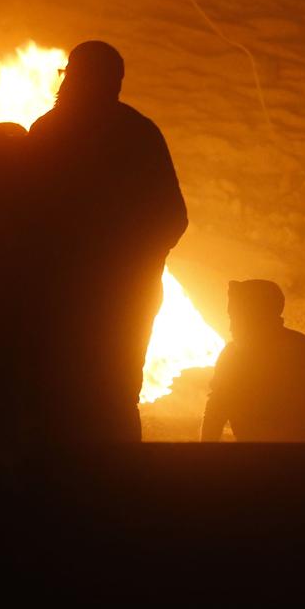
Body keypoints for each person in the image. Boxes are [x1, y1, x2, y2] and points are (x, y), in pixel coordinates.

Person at [24, 40, 187, 444]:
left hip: (63, 301)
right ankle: (119, 487)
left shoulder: (48, 133)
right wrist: (137, 265)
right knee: (114, 399)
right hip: (126, 297)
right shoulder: (141, 133)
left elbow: (23, 219)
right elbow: (173, 219)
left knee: (59, 399)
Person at [201, 280, 305, 442]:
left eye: (237, 318)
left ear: (258, 317)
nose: (231, 327)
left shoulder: (299, 353)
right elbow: (215, 410)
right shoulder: (234, 355)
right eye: (232, 318)